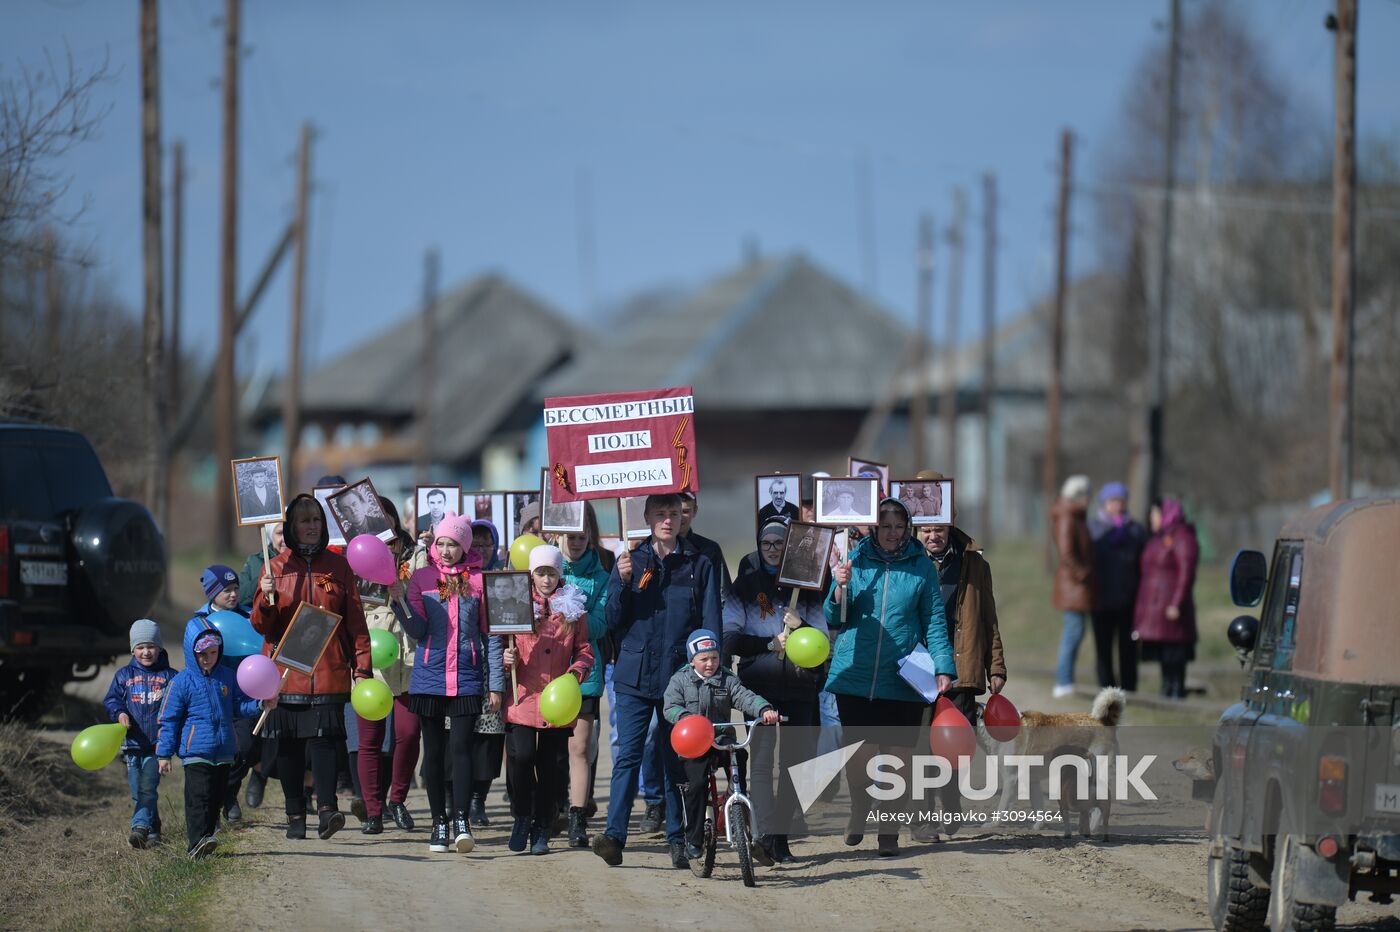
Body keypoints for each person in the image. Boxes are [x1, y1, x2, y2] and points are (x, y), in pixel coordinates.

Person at [592, 493, 721, 870]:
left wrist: (710, 671)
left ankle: (677, 838)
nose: (667, 520)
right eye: (660, 513)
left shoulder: (699, 562)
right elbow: (612, 618)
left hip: (679, 679)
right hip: (634, 674)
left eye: (674, 513)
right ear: (647, 517)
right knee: (628, 756)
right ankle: (614, 836)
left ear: (683, 517)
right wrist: (622, 581)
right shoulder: (631, 560)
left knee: (675, 760)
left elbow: (710, 622)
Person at [827, 497, 954, 857]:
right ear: (874, 527)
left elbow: (934, 620)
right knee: (860, 760)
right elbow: (835, 617)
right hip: (856, 673)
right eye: (886, 526)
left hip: (903, 676)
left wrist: (943, 665)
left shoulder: (921, 566)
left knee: (898, 761)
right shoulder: (855, 559)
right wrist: (839, 587)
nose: (893, 533)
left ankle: (889, 832)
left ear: (908, 528)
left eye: (899, 526)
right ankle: (859, 807)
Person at [251, 494, 374, 842]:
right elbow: (261, 626)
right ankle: (295, 814)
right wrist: (265, 599)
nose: (312, 527)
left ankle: (327, 810)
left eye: (316, 520)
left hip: (328, 669)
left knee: (324, 741)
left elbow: (355, 621)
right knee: (289, 746)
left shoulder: (338, 567)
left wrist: (361, 666)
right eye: (304, 521)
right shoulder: (275, 568)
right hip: (285, 672)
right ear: (291, 527)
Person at [394, 512, 505, 854]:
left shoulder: (479, 581)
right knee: (434, 752)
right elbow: (417, 630)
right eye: (440, 543)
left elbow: (491, 637)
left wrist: (496, 684)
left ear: (465, 547)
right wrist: (399, 600)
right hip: (429, 677)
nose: (445, 550)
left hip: (467, 678)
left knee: (461, 749)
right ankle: (438, 821)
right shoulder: (422, 578)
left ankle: (461, 820)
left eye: (453, 544)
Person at [722, 518, 828, 863]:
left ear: (788, 549)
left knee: (795, 764)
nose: (772, 549)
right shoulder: (744, 587)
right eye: (766, 543)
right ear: (758, 546)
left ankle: (781, 838)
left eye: (779, 543)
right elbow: (729, 639)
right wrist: (768, 643)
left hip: (800, 686)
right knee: (762, 761)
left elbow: (823, 641)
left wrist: (802, 625)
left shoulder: (807, 588)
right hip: (758, 687)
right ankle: (764, 834)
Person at [911, 480, 1007, 839]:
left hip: (960, 669)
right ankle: (922, 820)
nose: (932, 536)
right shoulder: (906, 563)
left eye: (938, 528)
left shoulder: (974, 564)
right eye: (925, 529)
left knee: (955, 746)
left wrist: (996, 665)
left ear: (950, 523)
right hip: (916, 670)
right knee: (920, 747)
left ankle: (951, 803)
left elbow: (988, 618)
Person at [502, 544, 593, 855]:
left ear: (559, 574)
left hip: (558, 699)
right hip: (523, 696)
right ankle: (521, 817)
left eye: (551, 573)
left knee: (551, 766)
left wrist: (576, 673)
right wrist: (507, 658)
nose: (546, 579)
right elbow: (501, 641)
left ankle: (542, 825)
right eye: (540, 573)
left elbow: (584, 649)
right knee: (521, 758)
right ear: (531, 574)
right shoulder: (515, 602)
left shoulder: (573, 607)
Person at [664, 629, 778, 864]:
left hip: (722, 739)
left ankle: (737, 806)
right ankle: (694, 838)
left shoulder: (727, 678)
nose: (710, 663)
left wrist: (764, 709)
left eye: (714, 658)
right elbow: (670, 707)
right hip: (695, 742)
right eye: (704, 659)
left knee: (740, 757)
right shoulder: (680, 679)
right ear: (692, 660)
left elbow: (745, 697)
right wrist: (684, 716)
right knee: (697, 785)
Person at [156, 628, 269, 859]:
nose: (208, 658)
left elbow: (239, 706)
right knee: (199, 798)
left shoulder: (227, 677)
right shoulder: (181, 682)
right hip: (196, 752)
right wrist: (164, 754)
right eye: (202, 654)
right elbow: (168, 719)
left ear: (220, 651)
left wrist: (260, 705)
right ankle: (196, 842)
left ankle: (207, 839)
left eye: (213, 652)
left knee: (217, 798)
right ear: (192, 652)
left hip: (224, 750)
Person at [355, 497, 421, 836]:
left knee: (408, 733)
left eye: (386, 517)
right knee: (370, 739)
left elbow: (427, 595)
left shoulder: (415, 553)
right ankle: (373, 811)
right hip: (371, 652)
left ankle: (397, 800)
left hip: (408, 654)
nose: (382, 524)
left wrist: (402, 591)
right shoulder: (356, 555)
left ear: (394, 519)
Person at [556, 504, 613, 848]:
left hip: (584, 672)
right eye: (569, 536)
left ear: (589, 537)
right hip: (544, 671)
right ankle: (549, 809)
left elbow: (602, 623)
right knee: (548, 750)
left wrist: (572, 616)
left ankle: (577, 817)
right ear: (557, 537)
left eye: (581, 537)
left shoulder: (601, 577)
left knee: (579, 747)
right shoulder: (544, 571)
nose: (575, 543)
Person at [185, 564, 260, 822]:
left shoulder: (250, 617)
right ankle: (221, 802)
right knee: (220, 752)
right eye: (226, 590)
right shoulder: (200, 621)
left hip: (245, 695)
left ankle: (229, 792)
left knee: (247, 748)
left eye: (236, 588)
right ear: (212, 593)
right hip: (214, 697)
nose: (233, 594)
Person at [103, 618, 175, 849]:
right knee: (138, 791)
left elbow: (179, 706)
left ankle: (139, 827)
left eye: (151, 646)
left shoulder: (170, 677)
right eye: (141, 647)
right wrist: (119, 713)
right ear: (133, 649)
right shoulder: (123, 675)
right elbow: (112, 700)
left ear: (159, 648)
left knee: (147, 787)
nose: (146, 652)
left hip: (157, 745)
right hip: (132, 744)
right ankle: (154, 829)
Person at [1134, 498, 1199, 700]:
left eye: (1155, 514)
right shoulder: (1158, 538)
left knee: (1175, 650)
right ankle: (1166, 689)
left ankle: (1177, 689)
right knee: (1163, 651)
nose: (1151, 518)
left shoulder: (1183, 537)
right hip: (1155, 605)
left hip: (1171, 604)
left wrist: (1176, 603)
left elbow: (1186, 572)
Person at [1088, 481, 1147, 692]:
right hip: (1100, 599)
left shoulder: (1135, 530)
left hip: (1128, 599)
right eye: (1113, 501)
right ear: (1104, 503)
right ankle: (1106, 690)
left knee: (1128, 649)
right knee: (1103, 649)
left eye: (1121, 501)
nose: (1117, 505)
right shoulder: (1093, 529)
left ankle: (1129, 690)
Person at [468, 519, 506, 827]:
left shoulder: (503, 579)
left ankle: (478, 799)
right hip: (461, 667)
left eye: (486, 544)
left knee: (489, 739)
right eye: (475, 544)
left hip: (494, 667)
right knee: (459, 737)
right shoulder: (456, 578)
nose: (481, 550)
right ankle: (457, 798)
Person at [1052, 475, 1096, 698]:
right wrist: (1083, 573)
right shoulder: (1068, 517)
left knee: (1076, 631)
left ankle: (1066, 680)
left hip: (1076, 586)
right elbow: (1066, 553)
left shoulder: (1075, 516)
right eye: (1087, 495)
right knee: (1073, 632)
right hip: (1074, 586)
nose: (1089, 499)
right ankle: (1063, 681)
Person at [238, 524, 286, 606]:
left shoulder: (302, 560)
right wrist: (261, 583)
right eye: (279, 533)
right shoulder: (255, 561)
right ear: (271, 536)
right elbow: (240, 596)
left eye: (287, 533)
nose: (284, 539)